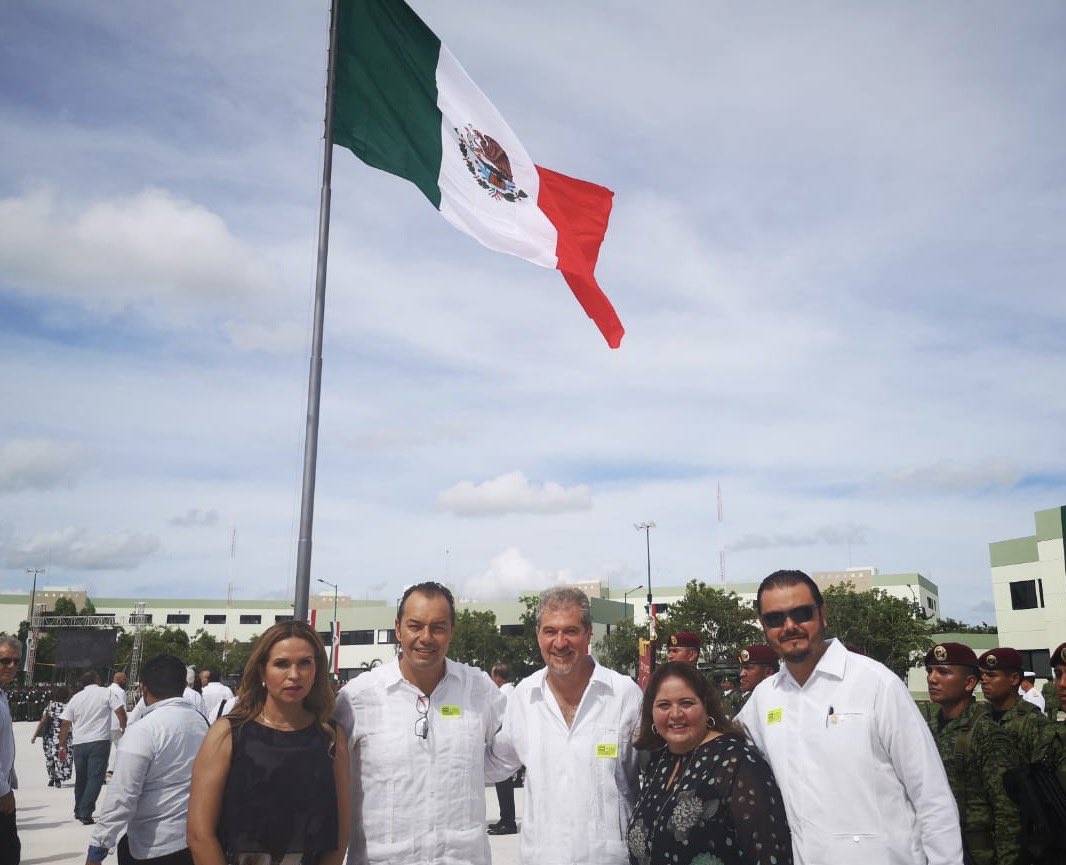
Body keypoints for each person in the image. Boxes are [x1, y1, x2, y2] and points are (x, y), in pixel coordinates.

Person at [736, 569, 963, 865]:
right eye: (775, 619)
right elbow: (718, 744)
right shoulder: (764, 699)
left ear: (823, 614)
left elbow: (931, 796)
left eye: (801, 613)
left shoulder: (876, 684)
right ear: (763, 627)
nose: (789, 626)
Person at [334, 582, 506, 865]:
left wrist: (470, 771)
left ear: (452, 630)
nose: (426, 637)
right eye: (415, 626)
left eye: (438, 627)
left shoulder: (478, 690)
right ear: (398, 628)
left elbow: (510, 751)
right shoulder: (357, 699)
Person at [490, 585, 643, 865]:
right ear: (538, 635)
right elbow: (493, 764)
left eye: (570, 631)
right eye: (550, 631)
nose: (560, 643)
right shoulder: (524, 698)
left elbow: (657, 770)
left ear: (588, 635)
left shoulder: (624, 695)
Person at [187, 621, 349, 865]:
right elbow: (200, 835)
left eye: (305, 663)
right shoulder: (228, 734)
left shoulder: (331, 738)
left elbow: (340, 834)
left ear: (317, 669)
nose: (294, 675)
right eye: (282, 664)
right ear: (262, 671)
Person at [627, 661, 792, 865]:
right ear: (651, 712)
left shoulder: (736, 762)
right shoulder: (659, 762)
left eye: (686, 703)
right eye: (664, 705)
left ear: (706, 706)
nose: (676, 714)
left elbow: (770, 853)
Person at [85, 654, 208, 865]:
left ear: (144, 688)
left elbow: (121, 798)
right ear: (183, 685)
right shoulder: (202, 723)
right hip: (195, 842)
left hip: (152, 847)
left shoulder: (143, 730)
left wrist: (98, 848)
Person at [926, 642, 1023, 865]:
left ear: (969, 683)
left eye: (943, 672)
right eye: (930, 671)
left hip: (977, 855)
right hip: (937, 849)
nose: (932, 678)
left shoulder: (986, 733)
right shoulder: (927, 728)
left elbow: (1007, 812)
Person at [59, 671, 128, 825]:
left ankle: (78, 809)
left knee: (81, 778)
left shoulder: (76, 698)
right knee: (95, 778)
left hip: (79, 742)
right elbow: (120, 711)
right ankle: (86, 811)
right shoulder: (106, 693)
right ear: (96, 680)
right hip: (99, 741)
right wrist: (124, 727)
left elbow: (65, 723)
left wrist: (62, 745)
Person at [488, 662, 518, 836]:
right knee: (503, 785)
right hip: (505, 746)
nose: (492, 679)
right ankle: (505, 819)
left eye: (493, 676)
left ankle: (508, 822)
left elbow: (495, 719)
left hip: (504, 747)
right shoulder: (510, 691)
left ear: (498, 677)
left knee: (504, 786)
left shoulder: (503, 693)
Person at [0, 635, 21, 865]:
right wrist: (3, 790)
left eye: (16, 661)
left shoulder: (2, 695)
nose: (12, 666)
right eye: (5, 660)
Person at [31, 685, 73, 787]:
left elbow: (42, 721)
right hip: (63, 736)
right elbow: (71, 723)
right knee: (60, 756)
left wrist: (35, 735)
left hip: (49, 736)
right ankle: (58, 778)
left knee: (50, 757)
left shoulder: (50, 706)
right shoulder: (68, 707)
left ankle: (52, 778)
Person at [736, 643, 778, 713]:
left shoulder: (780, 699)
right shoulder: (755, 700)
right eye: (742, 669)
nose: (741, 674)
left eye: (748, 668)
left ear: (768, 672)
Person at [107, 671, 129, 776]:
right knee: (122, 748)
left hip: (106, 725)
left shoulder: (107, 690)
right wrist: (124, 725)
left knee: (106, 750)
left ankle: (105, 770)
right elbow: (122, 709)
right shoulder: (120, 692)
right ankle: (114, 769)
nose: (126, 681)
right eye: (124, 679)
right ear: (119, 680)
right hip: (117, 724)